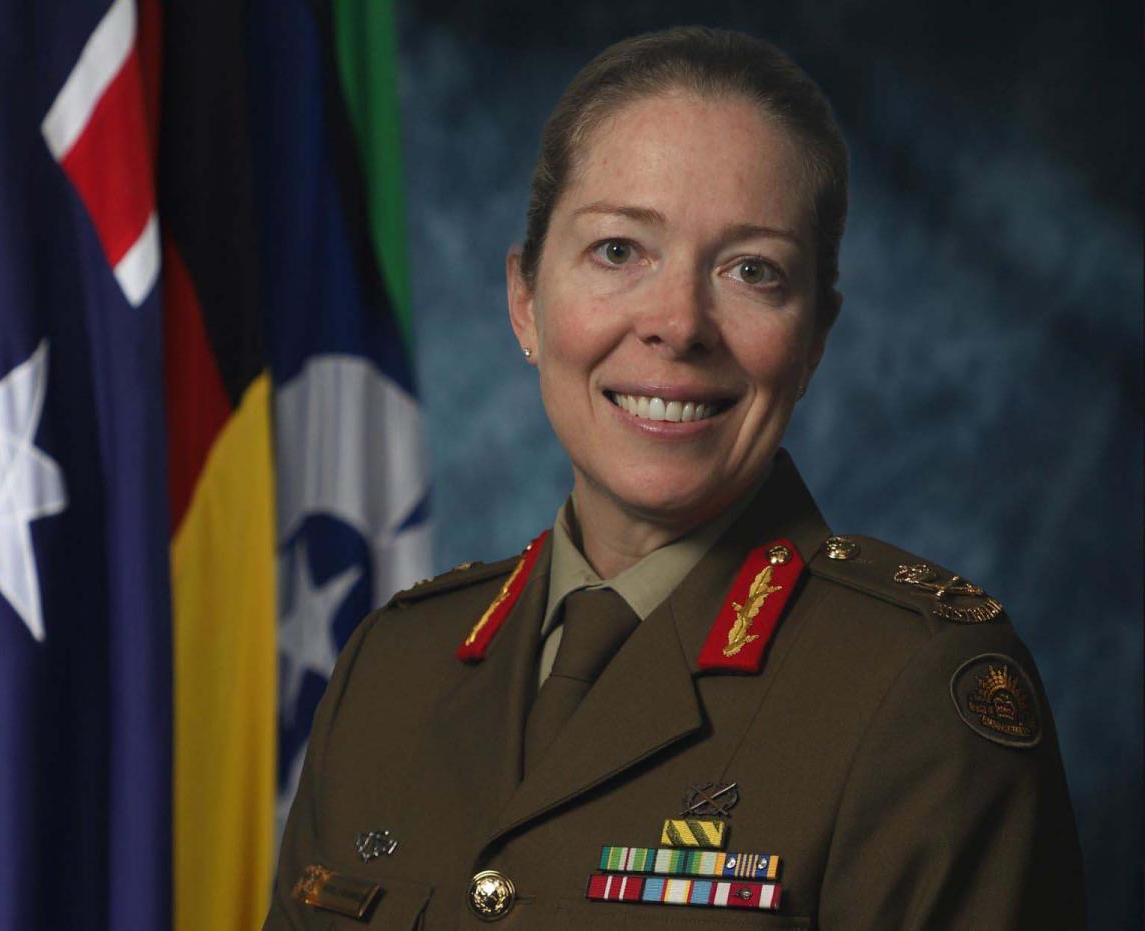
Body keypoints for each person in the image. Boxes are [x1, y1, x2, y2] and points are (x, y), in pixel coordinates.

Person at [265, 26, 1084, 929]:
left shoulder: (917, 692)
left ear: (814, 337)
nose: (677, 323)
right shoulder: (391, 668)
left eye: (751, 270)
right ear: (526, 299)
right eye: (619, 250)